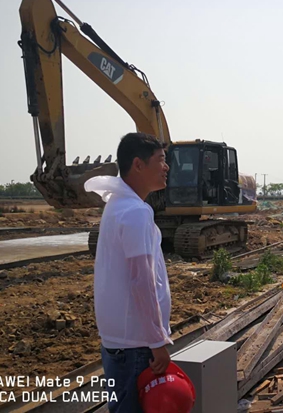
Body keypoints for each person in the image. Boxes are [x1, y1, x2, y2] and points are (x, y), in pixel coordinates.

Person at [85, 132, 173, 413]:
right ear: (138, 164)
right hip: (137, 344)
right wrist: (157, 341)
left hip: (120, 342)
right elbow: (141, 281)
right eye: (160, 160)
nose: (166, 167)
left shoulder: (117, 205)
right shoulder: (136, 212)